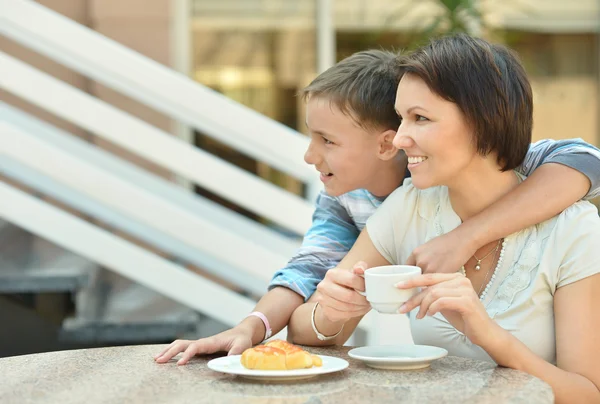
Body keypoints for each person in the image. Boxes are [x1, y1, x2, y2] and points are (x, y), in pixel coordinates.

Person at [154, 49, 600, 366]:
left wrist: (465, 237)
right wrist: (256, 326)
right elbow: (310, 270)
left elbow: (584, 161)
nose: (310, 156)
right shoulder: (360, 202)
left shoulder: (495, 167)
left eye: (327, 140)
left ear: (385, 144)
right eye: (404, 118)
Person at [286, 34, 600, 403]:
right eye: (402, 119)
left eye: (420, 118)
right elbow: (305, 329)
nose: (400, 139)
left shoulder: (572, 229)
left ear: (483, 120)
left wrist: (486, 333)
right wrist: (329, 312)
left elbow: (587, 393)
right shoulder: (408, 209)